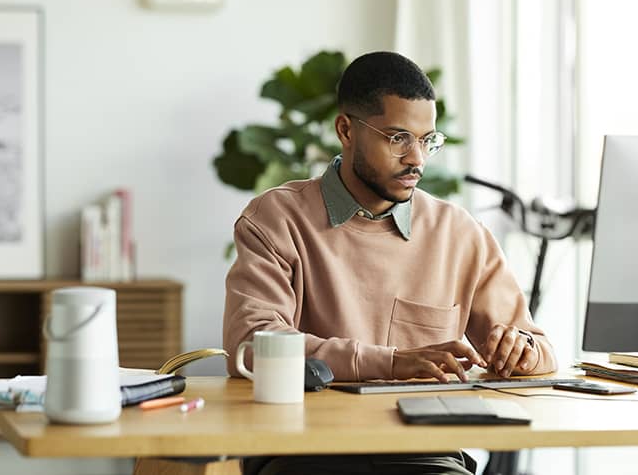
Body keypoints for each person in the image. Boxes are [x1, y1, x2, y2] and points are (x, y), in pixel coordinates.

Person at [223, 51, 557, 475]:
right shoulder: (277, 218)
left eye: (427, 140)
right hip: (303, 453)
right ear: (346, 129)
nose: (416, 159)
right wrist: (393, 363)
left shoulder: (459, 233)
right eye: (398, 138)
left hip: (427, 458)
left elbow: (541, 349)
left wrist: (521, 353)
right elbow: (252, 347)